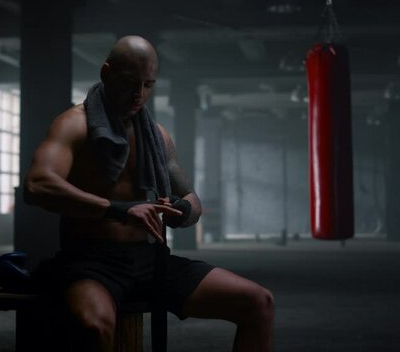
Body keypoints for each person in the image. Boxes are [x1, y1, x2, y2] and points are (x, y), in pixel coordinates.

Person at [24, 35, 274, 352]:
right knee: (95, 327)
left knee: (258, 302)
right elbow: (37, 184)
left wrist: (182, 210)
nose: (138, 95)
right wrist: (118, 209)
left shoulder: (157, 136)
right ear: (106, 73)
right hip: (91, 261)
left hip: (150, 260)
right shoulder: (74, 125)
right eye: (130, 82)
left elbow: (192, 200)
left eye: (148, 84)